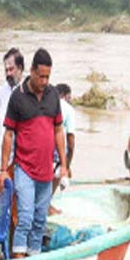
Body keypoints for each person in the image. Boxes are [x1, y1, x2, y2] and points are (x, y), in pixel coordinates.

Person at [0, 49, 68, 258]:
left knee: (39, 221)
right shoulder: (18, 97)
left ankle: (33, 259)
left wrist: (63, 166)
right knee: (25, 218)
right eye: (41, 76)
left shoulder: (53, 94)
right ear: (32, 71)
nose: (45, 81)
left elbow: (58, 131)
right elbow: (8, 135)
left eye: (48, 77)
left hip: (46, 171)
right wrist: (3, 170)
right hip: (24, 168)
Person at [50, 82, 77, 214]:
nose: (70, 100)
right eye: (69, 97)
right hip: (56, 150)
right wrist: (66, 166)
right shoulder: (69, 110)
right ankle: (46, 205)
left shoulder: (46, 103)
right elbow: (70, 143)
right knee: (57, 172)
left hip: (41, 146)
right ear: (64, 95)